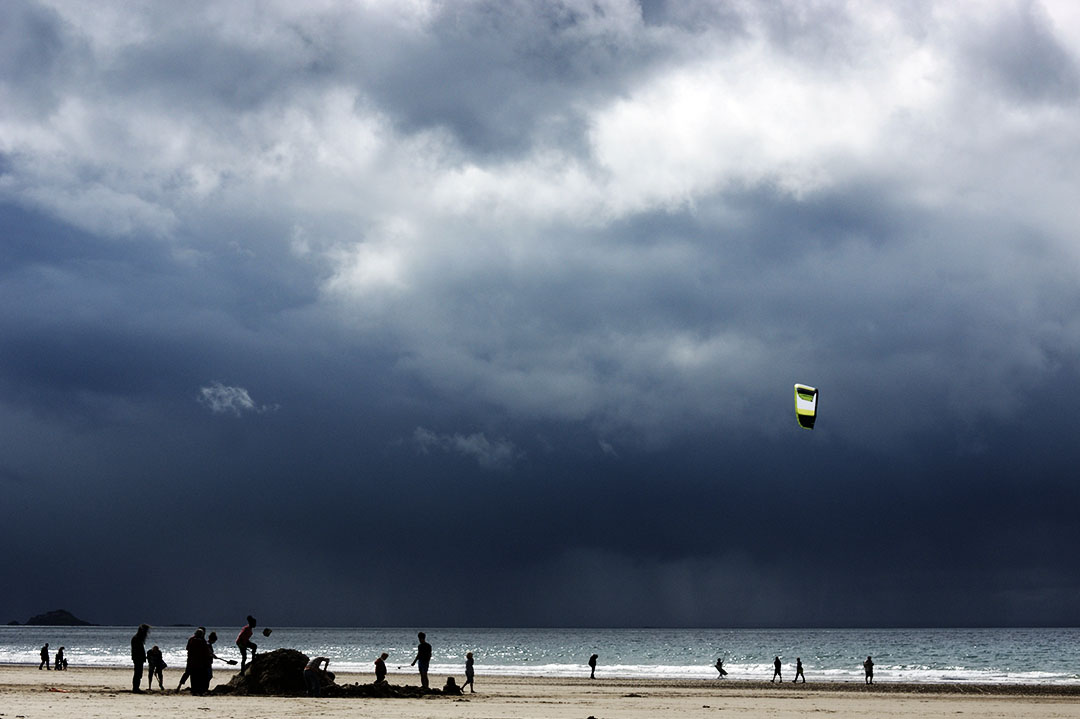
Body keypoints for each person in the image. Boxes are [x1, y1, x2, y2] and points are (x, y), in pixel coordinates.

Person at [185, 627, 212, 696]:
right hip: (200, 662)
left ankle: (194, 690)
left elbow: (187, 649)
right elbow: (205, 652)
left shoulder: (191, 640)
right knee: (199, 676)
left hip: (192, 661)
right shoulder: (202, 642)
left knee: (193, 676)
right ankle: (199, 690)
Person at [131, 624, 150, 692]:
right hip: (138, 658)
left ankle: (136, 688)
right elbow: (138, 650)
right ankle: (135, 688)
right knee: (138, 673)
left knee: (138, 673)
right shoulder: (137, 639)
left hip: (138, 658)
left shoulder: (137, 638)